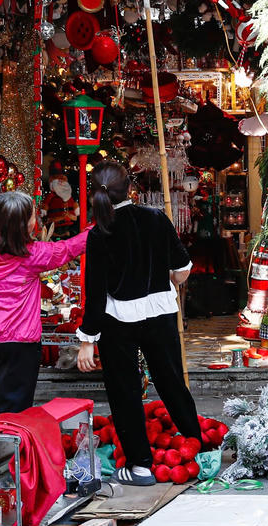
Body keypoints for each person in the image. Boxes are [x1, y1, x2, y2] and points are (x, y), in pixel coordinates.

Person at [77, 161, 202, 487]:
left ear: (96, 195)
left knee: (125, 391)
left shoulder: (98, 234)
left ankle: (139, 466)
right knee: (171, 380)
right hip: (160, 312)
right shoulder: (156, 218)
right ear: (130, 189)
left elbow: (95, 295)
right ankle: (197, 445)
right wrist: (165, 277)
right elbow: (182, 270)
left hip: (116, 321)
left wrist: (87, 340)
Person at [0, 190, 88, 426]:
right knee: (15, 414)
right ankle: (10, 448)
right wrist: (99, 226)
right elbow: (72, 247)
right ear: (26, 226)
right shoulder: (34, 255)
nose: (35, 219)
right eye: (31, 216)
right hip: (17, 343)